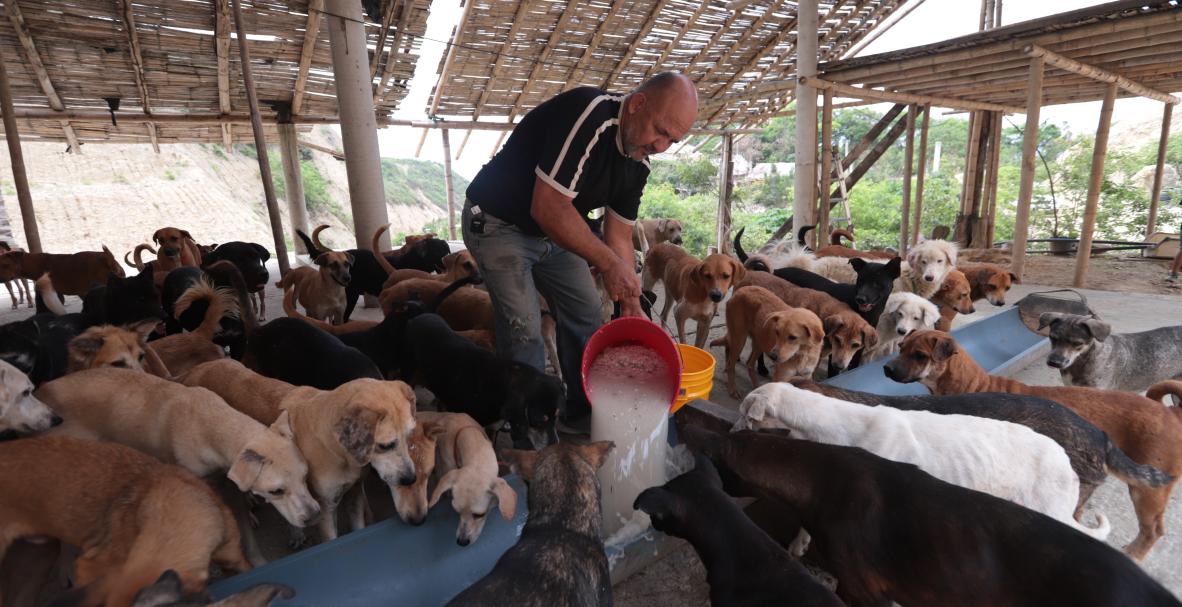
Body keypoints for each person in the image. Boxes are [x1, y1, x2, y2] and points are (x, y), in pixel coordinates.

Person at [462, 72, 699, 433]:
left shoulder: (638, 161)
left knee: (587, 312)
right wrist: (606, 263)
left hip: (552, 231)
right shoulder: (588, 114)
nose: (661, 146)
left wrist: (630, 296)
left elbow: (617, 233)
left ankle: (582, 412)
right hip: (497, 223)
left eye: (672, 140)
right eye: (660, 131)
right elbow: (550, 207)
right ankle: (530, 430)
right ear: (637, 104)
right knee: (525, 329)